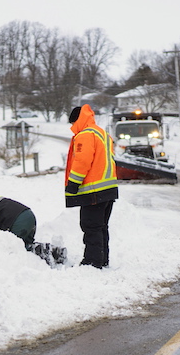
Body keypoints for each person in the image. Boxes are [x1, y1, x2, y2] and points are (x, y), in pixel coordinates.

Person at [65, 105, 119, 269]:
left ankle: (92, 262)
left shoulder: (85, 135)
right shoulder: (101, 133)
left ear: (77, 120)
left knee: (91, 226)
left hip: (94, 191)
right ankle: (102, 260)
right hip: (108, 189)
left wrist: (73, 184)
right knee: (101, 227)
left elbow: (82, 161)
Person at [0, 190, 66, 266]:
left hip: (16, 221)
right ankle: (55, 252)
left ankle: (46, 251)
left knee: (12, 250)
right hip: (28, 215)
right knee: (25, 247)